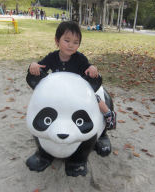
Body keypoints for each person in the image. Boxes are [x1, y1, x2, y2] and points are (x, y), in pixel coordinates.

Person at [26, 21, 116, 169]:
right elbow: (40, 68)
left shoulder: (80, 58)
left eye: (75, 42)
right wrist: (33, 66)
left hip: (79, 97)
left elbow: (88, 68)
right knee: (39, 109)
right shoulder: (52, 57)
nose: (71, 45)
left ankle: (108, 119)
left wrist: (93, 69)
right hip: (57, 96)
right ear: (57, 41)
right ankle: (43, 153)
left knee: (98, 100)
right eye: (66, 40)